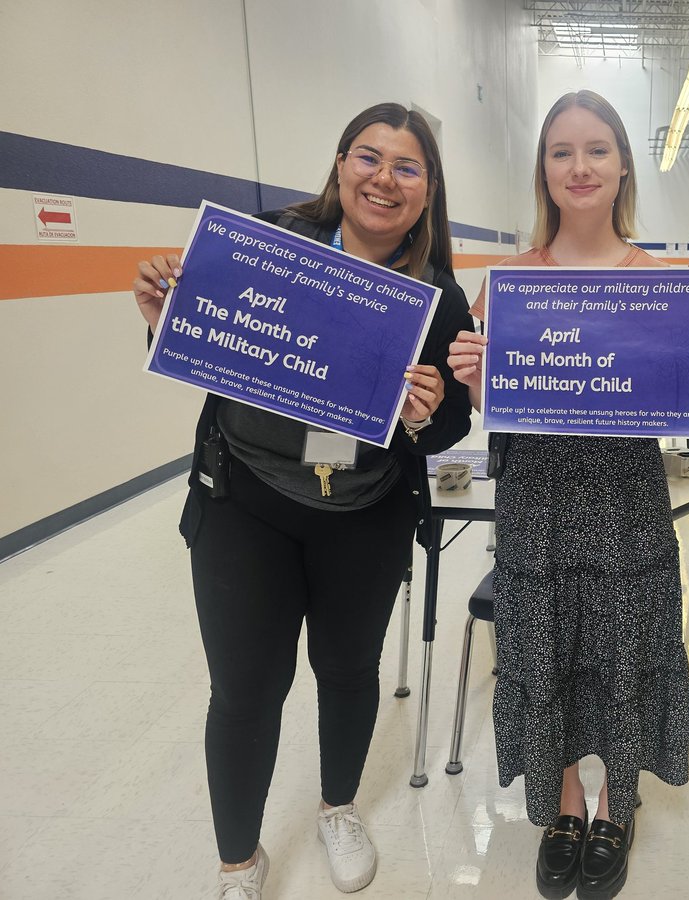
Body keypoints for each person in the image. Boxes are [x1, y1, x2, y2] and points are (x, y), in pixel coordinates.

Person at [132, 103, 473, 899]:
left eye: (407, 166)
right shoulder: (268, 245)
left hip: (366, 510)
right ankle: (238, 862)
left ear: (428, 191)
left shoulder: (438, 298)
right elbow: (207, 339)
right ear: (340, 165)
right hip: (245, 501)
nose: (383, 178)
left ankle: (337, 806)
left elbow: (452, 417)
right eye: (368, 157)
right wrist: (163, 320)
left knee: (348, 669)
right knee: (246, 688)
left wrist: (426, 414)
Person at [447, 90, 689, 900]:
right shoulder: (509, 285)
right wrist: (473, 379)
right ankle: (566, 798)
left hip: (624, 501)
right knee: (547, 649)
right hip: (537, 500)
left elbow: (679, 403)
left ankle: (617, 802)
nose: (579, 166)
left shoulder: (662, 285)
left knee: (622, 651)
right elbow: (487, 404)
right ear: (543, 170)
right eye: (561, 151)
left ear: (622, 168)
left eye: (596, 149)